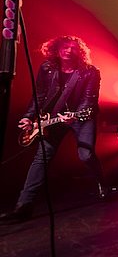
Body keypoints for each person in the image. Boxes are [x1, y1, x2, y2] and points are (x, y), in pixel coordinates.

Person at [0, 36, 105, 224]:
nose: (69, 50)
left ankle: (101, 182)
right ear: (56, 49)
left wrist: (76, 114)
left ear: (80, 52)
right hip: (53, 118)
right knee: (41, 157)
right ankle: (24, 206)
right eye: (65, 47)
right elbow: (39, 95)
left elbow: (89, 99)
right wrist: (28, 117)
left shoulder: (90, 72)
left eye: (73, 48)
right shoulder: (47, 68)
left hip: (81, 117)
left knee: (86, 155)